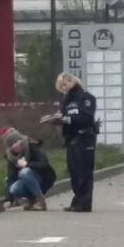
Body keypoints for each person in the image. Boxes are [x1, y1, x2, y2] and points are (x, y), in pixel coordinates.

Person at [43, 73, 97, 212]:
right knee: (74, 172)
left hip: (84, 137)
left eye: (65, 84)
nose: (63, 87)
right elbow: (61, 114)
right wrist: (53, 119)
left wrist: (66, 119)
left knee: (83, 172)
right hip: (71, 138)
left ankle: (84, 203)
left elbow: (86, 117)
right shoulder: (67, 99)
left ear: (72, 81)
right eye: (61, 86)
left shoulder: (86, 97)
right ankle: (77, 201)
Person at [1, 126, 55, 211]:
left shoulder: (32, 146)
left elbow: (44, 164)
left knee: (24, 172)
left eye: (16, 141)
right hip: (26, 180)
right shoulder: (11, 157)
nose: (15, 145)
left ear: (20, 140)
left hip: (42, 178)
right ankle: (31, 200)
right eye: (11, 144)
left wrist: (27, 164)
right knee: (14, 188)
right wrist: (8, 199)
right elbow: (11, 177)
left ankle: (40, 200)